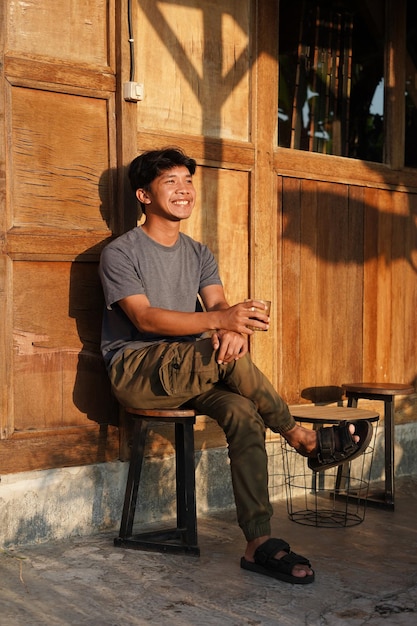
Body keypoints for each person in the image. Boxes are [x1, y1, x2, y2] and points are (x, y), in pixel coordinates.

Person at [99, 147, 372, 585]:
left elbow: (219, 305)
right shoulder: (121, 252)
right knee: (223, 352)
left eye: (187, 181)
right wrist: (222, 323)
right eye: (170, 182)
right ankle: (300, 436)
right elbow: (145, 319)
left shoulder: (199, 252)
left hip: (196, 368)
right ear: (144, 195)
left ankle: (257, 542)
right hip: (139, 370)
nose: (183, 189)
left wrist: (234, 327)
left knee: (243, 412)